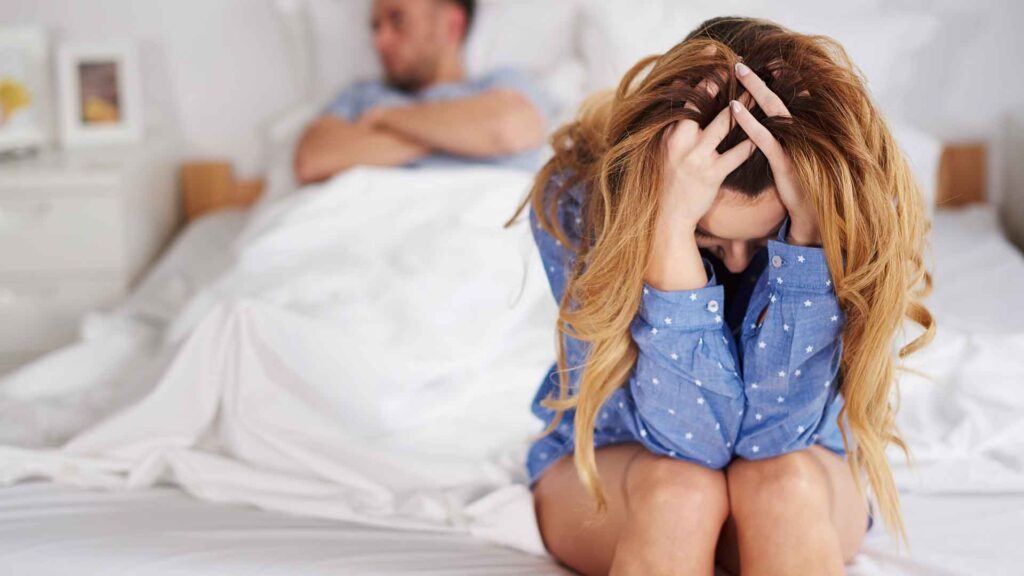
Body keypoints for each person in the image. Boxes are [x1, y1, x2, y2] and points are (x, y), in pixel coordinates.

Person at [504, 16, 935, 576]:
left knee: (779, 485)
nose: (735, 263)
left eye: (762, 241)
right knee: (681, 493)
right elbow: (694, 445)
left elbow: (772, 439)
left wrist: (808, 248)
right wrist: (665, 237)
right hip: (613, 461)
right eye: (708, 238)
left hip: (802, 463)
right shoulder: (583, 202)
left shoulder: (847, 211)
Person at [293, 0, 555, 185]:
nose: (380, 41)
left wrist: (383, 119)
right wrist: (461, 133)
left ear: (452, 24)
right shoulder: (361, 95)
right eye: (376, 27)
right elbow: (313, 159)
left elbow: (508, 128)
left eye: (397, 20)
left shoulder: (503, 82)